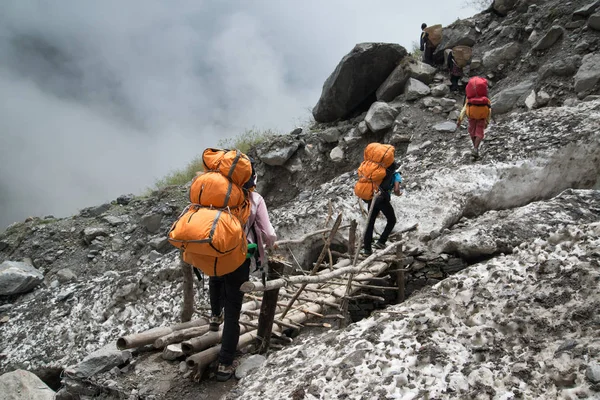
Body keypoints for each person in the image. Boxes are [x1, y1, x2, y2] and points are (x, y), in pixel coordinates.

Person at [208, 158, 277, 382]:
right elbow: (269, 233)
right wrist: (270, 246)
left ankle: (214, 316)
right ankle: (225, 363)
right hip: (239, 258)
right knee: (234, 309)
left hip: (215, 251)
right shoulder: (255, 199)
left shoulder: (218, 194)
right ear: (252, 178)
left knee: (216, 279)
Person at [362, 162, 402, 256]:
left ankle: (367, 250)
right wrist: (398, 193)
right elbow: (396, 190)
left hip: (372, 198)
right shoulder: (396, 175)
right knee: (392, 220)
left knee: (370, 222)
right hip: (382, 199)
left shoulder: (378, 173)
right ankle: (381, 241)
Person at [456, 78, 492, 158]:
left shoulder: (469, 100)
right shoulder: (486, 100)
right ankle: (476, 148)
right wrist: (487, 121)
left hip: (471, 117)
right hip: (482, 117)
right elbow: (489, 111)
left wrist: (459, 120)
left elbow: (464, 109)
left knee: (472, 131)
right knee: (479, 132)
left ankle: (474, 147)